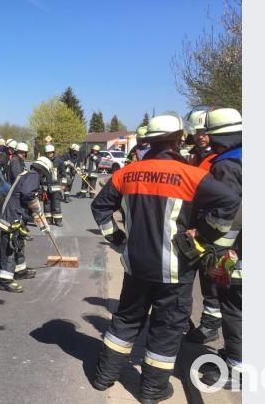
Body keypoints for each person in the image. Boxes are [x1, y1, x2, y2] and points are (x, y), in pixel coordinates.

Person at [89, 112, 240, 403]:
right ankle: (152, 389)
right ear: (178, 139)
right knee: (167, 328)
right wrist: (205, 232)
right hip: (175, 269)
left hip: (135, 265)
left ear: (148, 141)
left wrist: (117, 238)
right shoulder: (191, 175)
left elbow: (100, 207)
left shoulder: (126, 173)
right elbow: (230, 201)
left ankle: (103, 376)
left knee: (126, 320)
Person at [197, 108, 243, 388]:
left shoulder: (227, 166)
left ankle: (238, 369)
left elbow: (227, 214)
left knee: (234, 306)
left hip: (236, 251)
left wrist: (204, 237)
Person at [182, 108, 222, 344]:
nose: (201, 136)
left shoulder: (218, 160)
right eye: (197, 132)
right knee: (187, 273)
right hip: (192, 224)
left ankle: (210, 324)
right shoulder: (194, 157)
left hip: (210, 226)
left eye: (205, 132)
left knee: (210, 276)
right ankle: (182, 318)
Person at [0, 156, 54, 293]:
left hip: (18, 217)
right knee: (10, 248)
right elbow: (28, 195)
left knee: (19, 244)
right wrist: (37, 207)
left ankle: (20, 271)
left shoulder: (28, 174)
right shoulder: (34, 175)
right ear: (43, 171)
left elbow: (27, 201)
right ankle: (4, 281)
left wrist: (41, 222)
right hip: (12, 218)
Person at [43, 144, 65, 226]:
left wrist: (63, 184)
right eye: (47, 153)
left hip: (55, 187)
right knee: (47, 204)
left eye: (50, 153)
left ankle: (58, 220)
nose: (49, 154)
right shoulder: (43, 161)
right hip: (45, 187)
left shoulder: (59, 162)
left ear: (53, 152)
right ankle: (48, 219)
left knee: (56, 204)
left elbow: (63, 174)